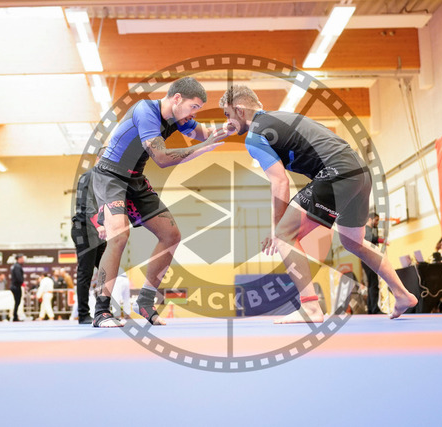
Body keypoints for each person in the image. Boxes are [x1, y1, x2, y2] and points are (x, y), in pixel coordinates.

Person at [219, 85, 417, 323]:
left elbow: (280, 182)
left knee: (284, 235)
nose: (228, 122)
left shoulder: (255, 136)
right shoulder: (281, 118)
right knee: (353, 242)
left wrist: (277, 228)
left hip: (338, 172)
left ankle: (310, 308)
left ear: (240, 110)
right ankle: (402, 294)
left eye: (228, 115)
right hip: (360, 173)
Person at [91, 77, 229, 327]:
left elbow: (207, 135)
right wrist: (202, 148)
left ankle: (145, 301)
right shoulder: (146, 111)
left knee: (171, 235)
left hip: (135, 179)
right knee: (119, 236)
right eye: (193, 107)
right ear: (177, 99)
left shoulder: (180, 119)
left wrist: (235, 126)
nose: (194, 114)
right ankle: (101, 311)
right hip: (110, 175)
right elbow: (162, 159)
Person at [72, 146, 107, 324]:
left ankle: (103, 311)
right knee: (85, 272)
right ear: (98, 159)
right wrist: (99, 225)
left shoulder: (105, 179)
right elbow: (87, 205)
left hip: (98, 230)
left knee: (105, 271)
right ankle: (83, 314)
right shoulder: (89, 177)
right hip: (84, 229)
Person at [362, 212, 383, 314]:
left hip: (367, 259)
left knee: (371, 284)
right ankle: (374, 308)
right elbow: (370, 239)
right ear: (370, 219)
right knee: (374, 284)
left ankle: (371, 308)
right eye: (376, 220)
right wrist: (382, 240)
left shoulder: (369, 230)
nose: (377, 222)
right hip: (368, 259)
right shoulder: (367, 230)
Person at [10, 254, 25, 322]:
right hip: (16, 286)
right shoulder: (17, 266)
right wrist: (22, 282)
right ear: (19, 259)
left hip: (15, 285)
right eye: (22, 258)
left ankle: (15, 316)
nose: (23, 260)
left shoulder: (16, 266)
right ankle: (15, 316)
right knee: (17, 301)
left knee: (17, 302)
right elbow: (18, 277)